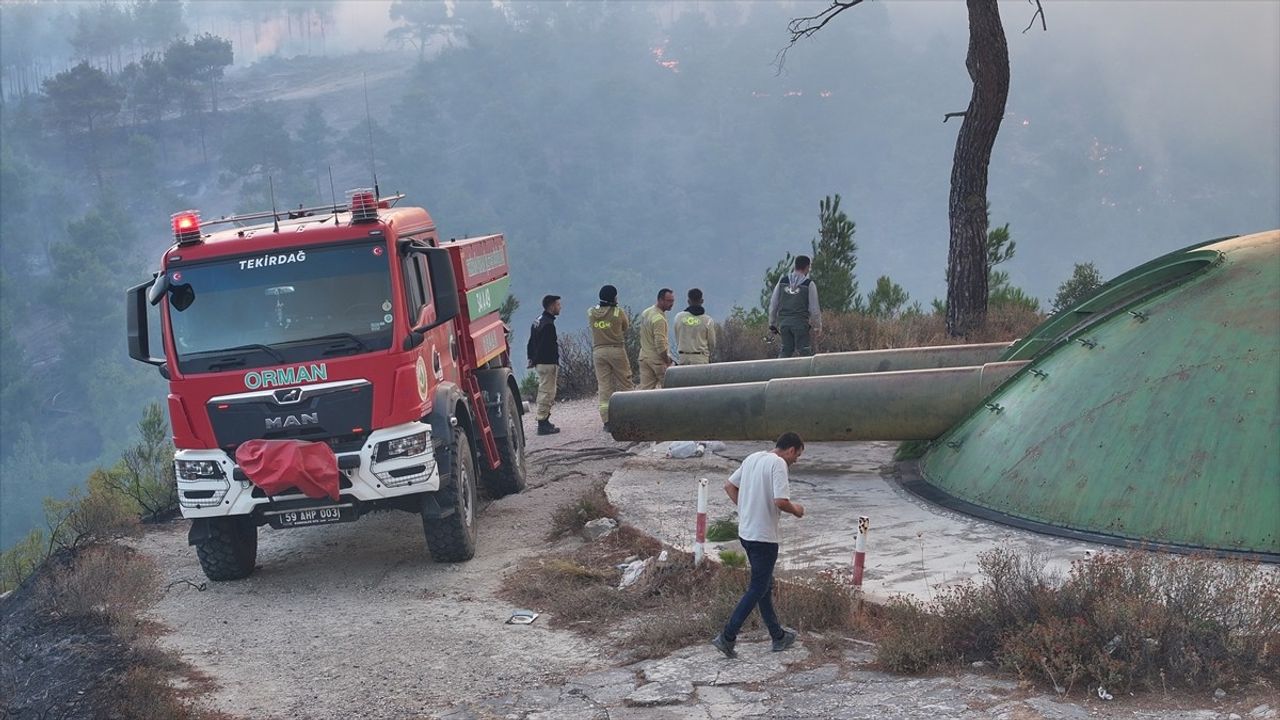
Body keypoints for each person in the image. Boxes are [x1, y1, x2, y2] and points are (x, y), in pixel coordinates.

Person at [711, 432, 807, 659]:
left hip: (746, 533)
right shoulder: (779, 464)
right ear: (791, 450)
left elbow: (729, 486)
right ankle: (727, 636)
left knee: (763, 586)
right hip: (764, 537)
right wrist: (797, 510)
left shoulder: (753, 458)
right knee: (757, 587)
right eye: (798, 455)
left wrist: (745, 509)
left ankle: (778, 636)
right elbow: (780, 501)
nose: (796, 460)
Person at [589, 284, 633, 432]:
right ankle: (629, 415)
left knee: (604, 386)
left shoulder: (591, 312)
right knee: (625, 383)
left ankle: (607, 421)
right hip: (616, 350)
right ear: (613, 297)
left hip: (598, 352)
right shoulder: (618, 312)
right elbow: (626, 327)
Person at [767, 255, 821, 358]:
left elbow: (773, 304)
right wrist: (817, 326)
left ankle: (780, 372)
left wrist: (772, 323)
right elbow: (814, 309)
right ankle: (805, 373)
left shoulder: (782, 282)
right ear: (807, 267)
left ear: (795, 266)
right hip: (800, 324)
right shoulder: (809, 284)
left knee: (785, 351)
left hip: (784, 324)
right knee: (804, 352)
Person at [526, 294, 562, 435]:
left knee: (544, 391)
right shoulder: (548, 325)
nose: (560, 307)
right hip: (547, 363)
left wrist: (531, 359)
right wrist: (538, 359)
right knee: (547, 393)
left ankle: (545, 421)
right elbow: (544, 347)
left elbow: (531, 342)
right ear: (552, 306)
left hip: (540, 363)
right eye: (558, 304)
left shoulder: (538, 321)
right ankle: (543, 423)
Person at [638, 288, 676, 389]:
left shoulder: (646, 313)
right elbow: (660, 344)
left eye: (672, 301)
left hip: (644, 357)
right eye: (669, 301)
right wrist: (667, 360)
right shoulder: (659, 319)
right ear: (660, 300)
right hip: (657, 361)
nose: (671, 304)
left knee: (646, 391)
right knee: (671, 389)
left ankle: (644, 405)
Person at [673, 288, 717, 365]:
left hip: (683, 358)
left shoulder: (679, 317)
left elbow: (677, 337)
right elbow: (712, 343)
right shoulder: (708, 320)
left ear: (688, 301)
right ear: (702, 301)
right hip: (700, 358)